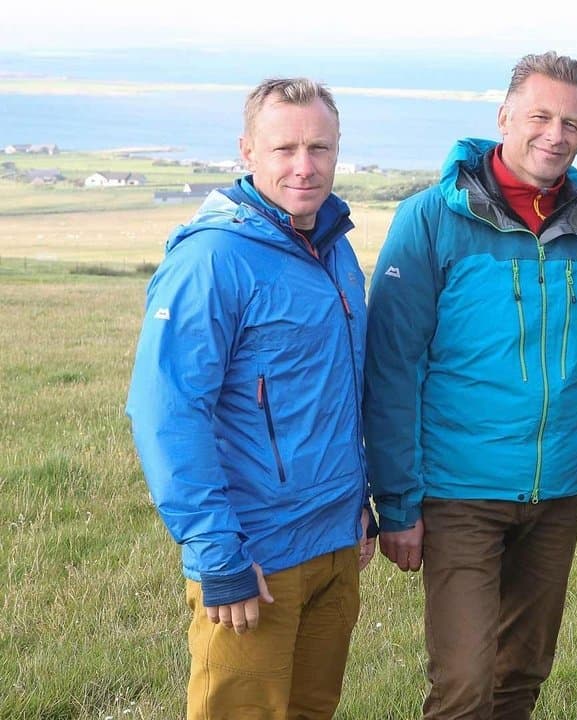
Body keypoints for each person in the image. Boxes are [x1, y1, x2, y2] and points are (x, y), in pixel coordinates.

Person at [362, 51, 577, 720]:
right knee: (463, 685)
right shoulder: (430, 219)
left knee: (521, 677)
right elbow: (393, 369)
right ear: (504, 117)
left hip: (557, 491)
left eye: (572, 124)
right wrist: (397, 504)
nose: (555, 135)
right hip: (459, 492)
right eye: (540, 116)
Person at [125, 77, 376, 719]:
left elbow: (338, 392)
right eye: (284, 148)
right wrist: (218, 553)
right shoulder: (211, 260)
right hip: (255, 555)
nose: (304, 166)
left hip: (334, 543)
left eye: (319, 148)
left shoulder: (334, 246)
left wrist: (361, 504)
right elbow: (167, 414)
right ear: (247, 151)